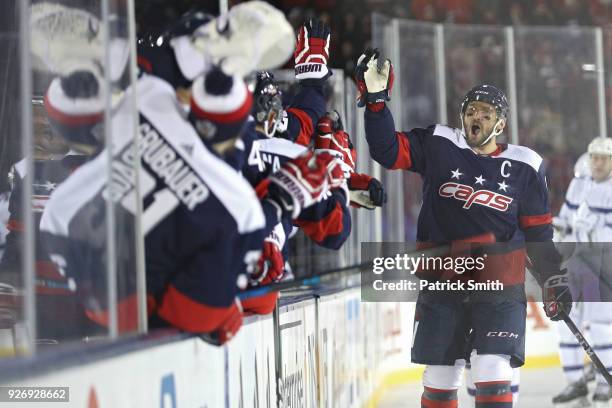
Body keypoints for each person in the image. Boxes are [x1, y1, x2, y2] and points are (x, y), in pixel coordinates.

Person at [355, 48, 572, 408]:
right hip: (443, 280)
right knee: (439, 378)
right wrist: (376, 103)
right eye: (471, 111)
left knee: (491, 370)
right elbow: (387, 150)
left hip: (499, 285)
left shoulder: (526, 164)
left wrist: (554, 279)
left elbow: (538, 234)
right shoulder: (440, 143)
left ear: (500, 124)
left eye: (486, 114)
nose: (477, 118)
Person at [552, 136, 612, 406]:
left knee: (601, 327)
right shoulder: (580, 184)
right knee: (565, 321)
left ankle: (604, 382)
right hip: (576, 264)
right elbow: (566, 216)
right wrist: (557, 227)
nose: (598, 163)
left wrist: (592, 230)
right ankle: (574, 381)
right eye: (594, 157)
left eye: (603, 158)